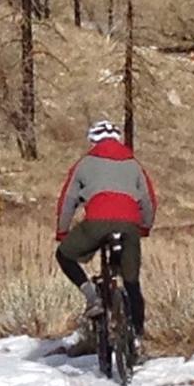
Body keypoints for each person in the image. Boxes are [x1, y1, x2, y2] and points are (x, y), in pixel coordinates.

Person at [54, 120, 156, 341]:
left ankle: (93, 297)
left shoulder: (85, 163)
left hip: (97, 222)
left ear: (93, 140)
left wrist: (62, 232)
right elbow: (148, 201)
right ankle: (137, 338)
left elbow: (68, 200)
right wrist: (144, 227)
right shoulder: (134, 164)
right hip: (129, 226)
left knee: (64, 254)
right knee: (132, 283)